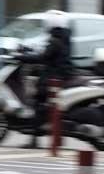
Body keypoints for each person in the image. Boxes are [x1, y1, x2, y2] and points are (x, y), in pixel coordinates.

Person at [16, 10, 72, 149]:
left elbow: (43, 57)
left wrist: (22, 57)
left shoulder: (54, 41)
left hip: (53, 77)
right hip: (63, 75)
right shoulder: (65, 38)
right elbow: (46, 55)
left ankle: (34, 139)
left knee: (37, 101)